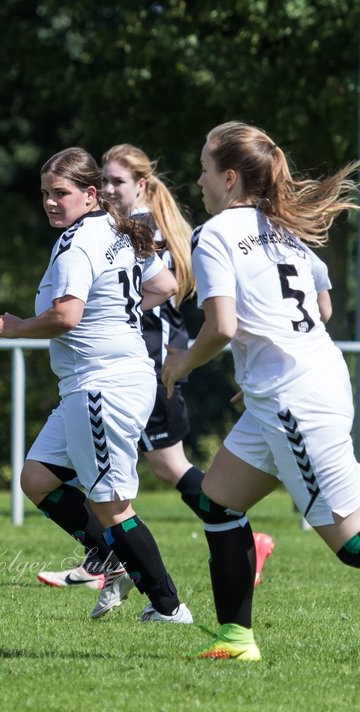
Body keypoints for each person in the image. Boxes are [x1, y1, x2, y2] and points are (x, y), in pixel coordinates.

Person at [162, 121, 360, 661]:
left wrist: (180, 365)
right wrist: (261, 370)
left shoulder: (216, 234)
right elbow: (320, 306)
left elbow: (222, 327)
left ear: (228, 178)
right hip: (297, 386)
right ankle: (236, 641)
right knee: (218, 501)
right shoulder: (282, 227)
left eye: (204, 169)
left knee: (352, 545)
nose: (198, 181)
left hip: (294, 398)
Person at [36, 144, 274, 590]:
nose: (107, 188)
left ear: (141, 184)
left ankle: (231, 539)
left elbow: (167, 286)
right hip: (133, 365)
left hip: (144, 363)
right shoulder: (116, 225)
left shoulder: (134, 227)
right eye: (103, 180)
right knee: (159, 468)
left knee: (163, 470)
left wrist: (117, 316)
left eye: (116, 182)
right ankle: (109, 556)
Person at [0, 146, 192, 624]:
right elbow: (162, 286)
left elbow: (67, 315)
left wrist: (16, 327)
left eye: (61, 193)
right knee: (37, 478)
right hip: (109, 379)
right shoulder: (118, 230)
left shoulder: (79, 242)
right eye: (45, 194)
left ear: (90, 193)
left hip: (102, 385)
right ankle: (112, 556)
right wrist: (118, 314)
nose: (51, 202)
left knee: (111, 505)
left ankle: (168, 606)